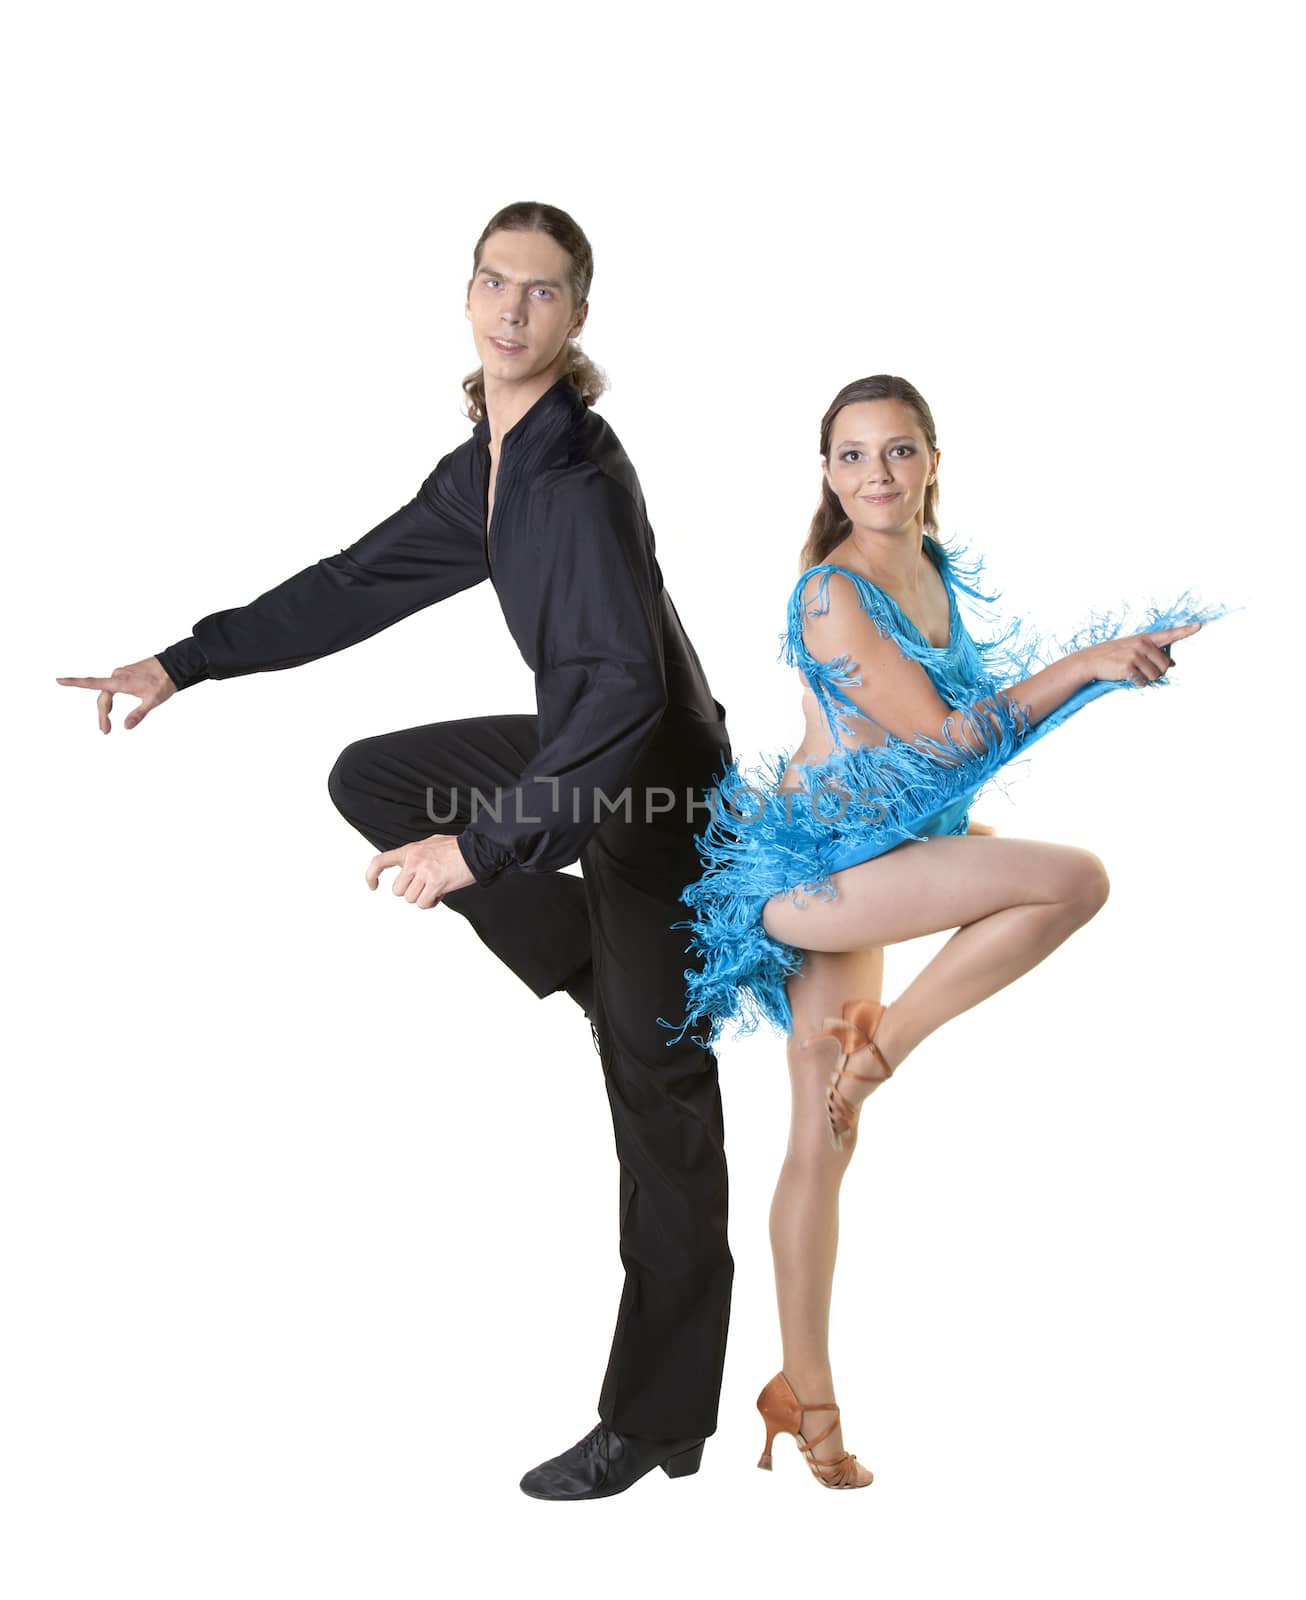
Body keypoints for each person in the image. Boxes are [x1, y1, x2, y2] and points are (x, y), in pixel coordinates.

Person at [56, 200, 735, 1501]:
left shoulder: (580, 480)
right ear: (466, 292)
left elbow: (617, 699)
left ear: (576, 318)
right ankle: (589, 963)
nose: (511, 310)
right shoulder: (484, 459)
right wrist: (184, 661)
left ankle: (656, 1420)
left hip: (656, 797)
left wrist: (483, 852)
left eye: (540, 292)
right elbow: (351, 584)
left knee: (659, 1106)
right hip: (583, 762)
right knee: (378, 777)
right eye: (493, 282)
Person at [663, 374, 1226, 1491]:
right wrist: (1084, 667)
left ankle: (802, 1395)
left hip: (885, 856)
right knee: (1072, 878)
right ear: (826, 473)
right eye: (853, 455)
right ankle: (884, 1046)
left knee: (827, 1139)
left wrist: (1101, 668)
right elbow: (942, 742)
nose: (877, 474)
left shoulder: (925, 570)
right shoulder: (831, 592)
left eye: (899, 451)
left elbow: (948, 748)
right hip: (818, 872)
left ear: (930, 462)